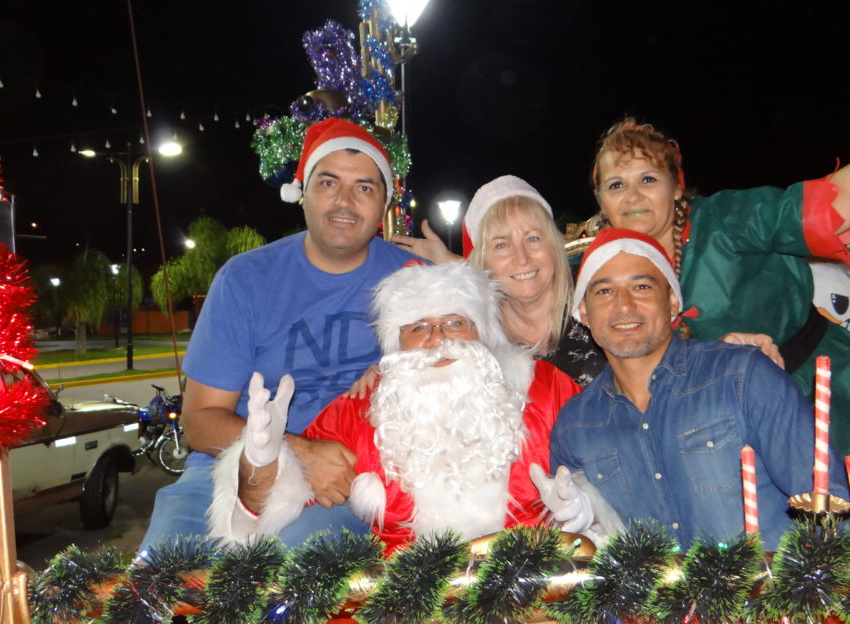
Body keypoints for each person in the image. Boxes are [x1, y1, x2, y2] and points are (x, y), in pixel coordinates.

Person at [582, 53, 850, 531]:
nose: (633, 197)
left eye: (649, 179)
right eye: (616, 185)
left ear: (677, 186)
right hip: (714, 436)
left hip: (820, 403)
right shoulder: (607, 268)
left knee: (837, 550)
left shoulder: (730, 221)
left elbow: (831, 204)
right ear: (600, 198)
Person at [139, 117, 420, 552]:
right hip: (233, 463)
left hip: (351, 475)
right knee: (164, 570)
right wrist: (301, 455)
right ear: (302, 193)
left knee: (296, 573)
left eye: (365, 187)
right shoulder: (245, 279)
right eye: (328, 183)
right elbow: (200, 421)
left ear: (384, 204)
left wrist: (462, 271)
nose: (345, 201)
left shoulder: (415, 279)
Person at [206, 263, 598, 554]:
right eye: (418, 327)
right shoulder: (360, 411)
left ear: (482, 332)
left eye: (454, 322)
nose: (437, 340)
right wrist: (262, 461)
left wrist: (587, 510)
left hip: (538, 581)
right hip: (408, 601)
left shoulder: (544, 389)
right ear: (396, 344)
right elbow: (261, 522)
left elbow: (608, 468)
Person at [550, 228, 849, 550]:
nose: (624, 305)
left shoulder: (742, 378)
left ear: (673, 300)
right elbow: (588, 543)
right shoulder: (575, 427)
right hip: (653, 600)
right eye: (604, 291)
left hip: (768, 596)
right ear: (583, 312)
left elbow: (829, 509)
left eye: (641, 286)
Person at [390, 176, 780, 386]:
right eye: (501, 244)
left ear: (555, 247)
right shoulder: (476, 340)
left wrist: (724, 353)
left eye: (533, 238)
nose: (522, 257)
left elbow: (667, 351)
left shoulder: (598, 304)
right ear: (481, 261)